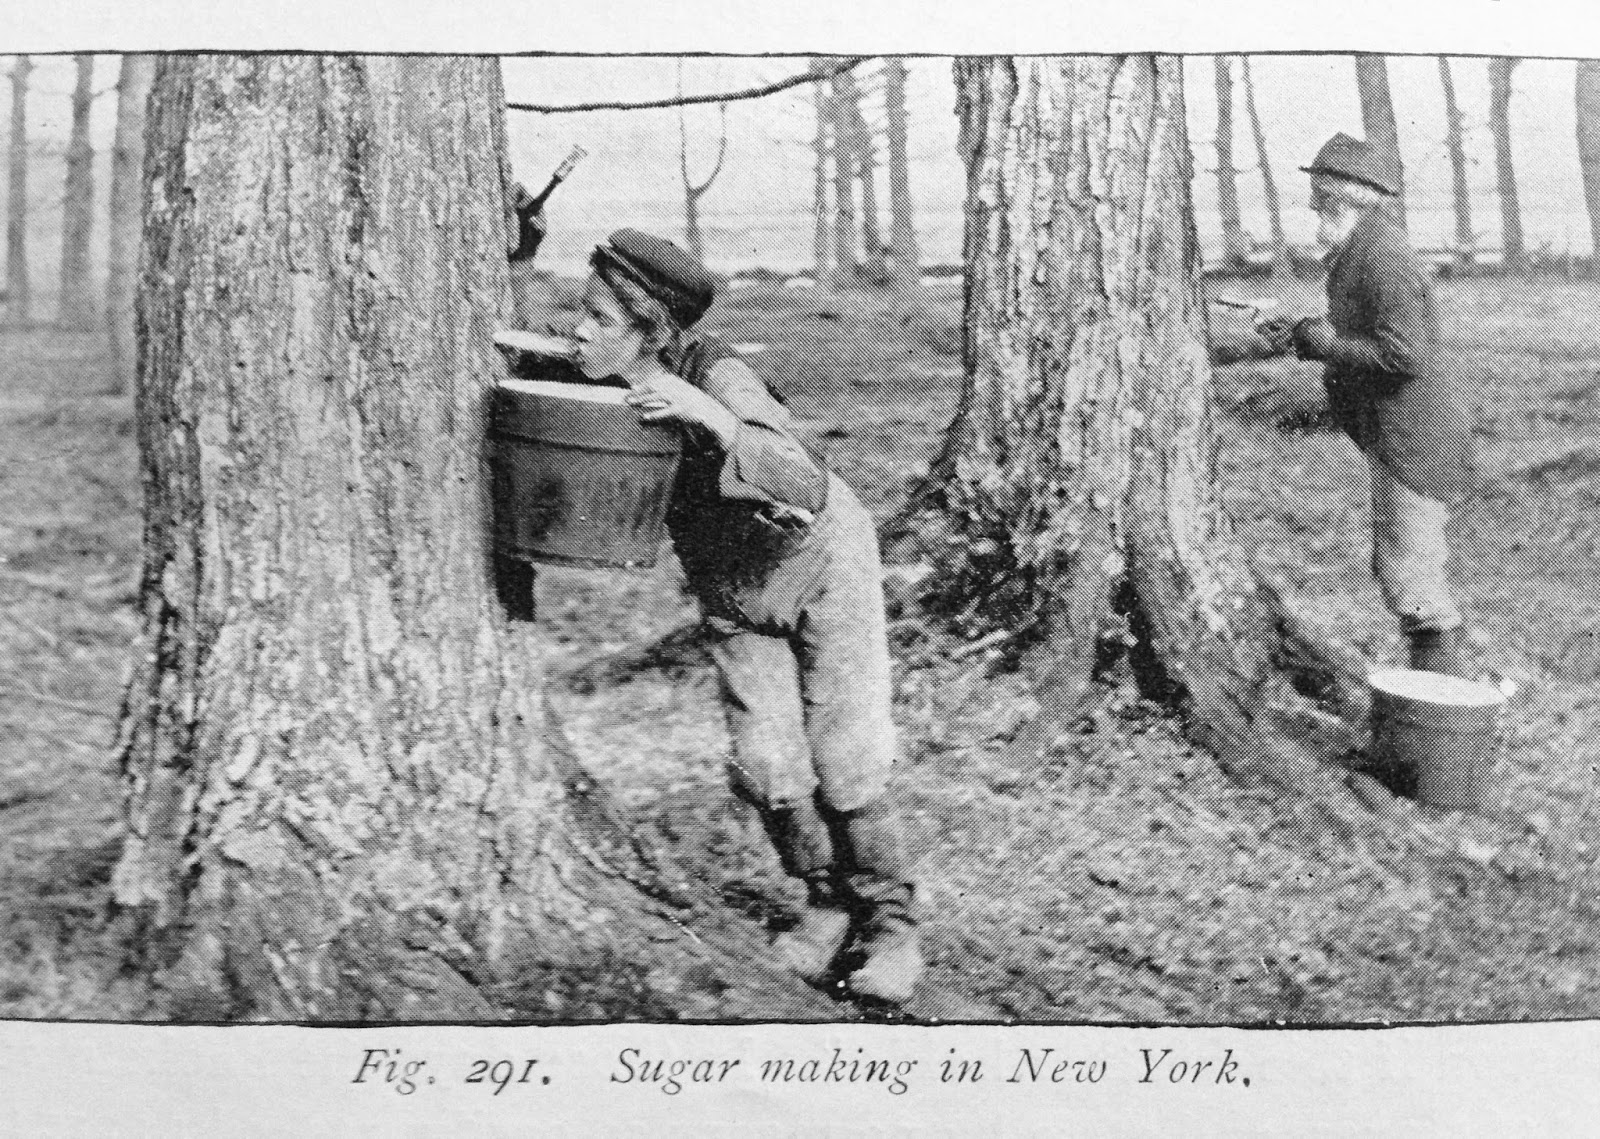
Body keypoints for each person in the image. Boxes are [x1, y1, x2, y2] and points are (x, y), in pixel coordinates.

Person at [509, 205, 923, 1004]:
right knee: (767, 759)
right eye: (582, 312)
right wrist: (521, 254)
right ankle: (825, 902)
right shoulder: (600, 368)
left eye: (599, 318)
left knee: (847, 754)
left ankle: (894, 926)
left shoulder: (716, 373)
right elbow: (517, 343)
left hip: (818, 561)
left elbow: (801, 478)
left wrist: (713, 417)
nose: (580, 331)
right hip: (733, 583)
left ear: (650, 328)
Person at [1258, 133, 1478, 678]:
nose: (1316, 221)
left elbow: (1401, 355)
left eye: (1322, 208)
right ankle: (1435, 710)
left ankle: (1443, 728)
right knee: (1402, 573)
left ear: (1347, 204)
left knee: (1414, 584)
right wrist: (1300, 331)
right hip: (1398, 440)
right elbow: (1367, 335)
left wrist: (1320, 343)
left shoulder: (1384, 255)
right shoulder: (1366, 249)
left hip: (1416, 445)